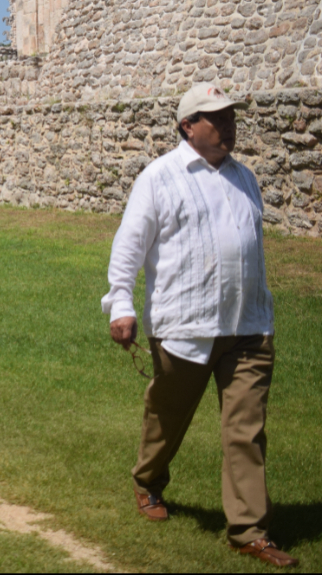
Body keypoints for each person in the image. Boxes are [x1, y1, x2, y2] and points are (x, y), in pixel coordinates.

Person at [103, 83, 296, 568]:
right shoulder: (159, 177)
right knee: (168, 418)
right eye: (216, 117)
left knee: (245, 431)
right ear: (188, 126)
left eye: (231, 116)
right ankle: (147, 481)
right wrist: (120, 304)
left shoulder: (245, 178)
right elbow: (129, 246)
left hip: (248, 326)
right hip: (184, 327)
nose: (228, 125)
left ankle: (248, 531)